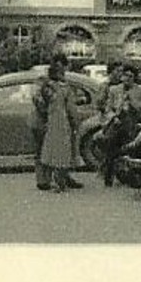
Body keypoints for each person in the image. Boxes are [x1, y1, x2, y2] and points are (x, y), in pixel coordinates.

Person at [35, 57, 85, 192]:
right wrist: (75, 123)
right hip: (62, 121)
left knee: (48, 150)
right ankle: (59, 181)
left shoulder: (45, 86)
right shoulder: (65, 89)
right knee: (62, 150)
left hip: (49, 121)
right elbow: (71, 109)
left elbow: (38, 101)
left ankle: (46, 180)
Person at [100, 66, 141, 187]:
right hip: (117, 122)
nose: (127, 79)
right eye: (125, 76)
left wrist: (132, 102)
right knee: (111, 146)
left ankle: (131, 176)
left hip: (133, 122)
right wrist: (113, 117)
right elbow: (108, 108)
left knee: (132, 148)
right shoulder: (114, 90)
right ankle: (108, 176)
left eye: (130, 76)